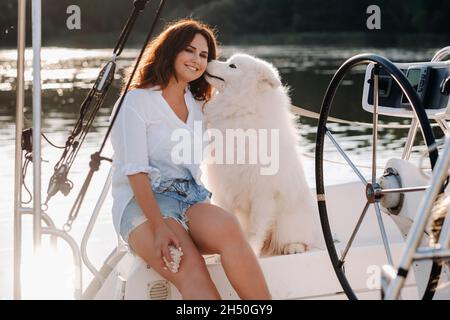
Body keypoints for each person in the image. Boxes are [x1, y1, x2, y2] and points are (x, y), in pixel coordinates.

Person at [110, 19, 271, 300]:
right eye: (189, 50)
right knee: (190, 267)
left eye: (204, 55)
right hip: (143, 203)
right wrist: (158, 227)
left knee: (231, 231)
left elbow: (242, 114)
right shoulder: (136, 102)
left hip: (190, 198)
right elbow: (135, 172)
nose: (197, 60)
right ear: (170, 51)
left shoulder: (198, 107)